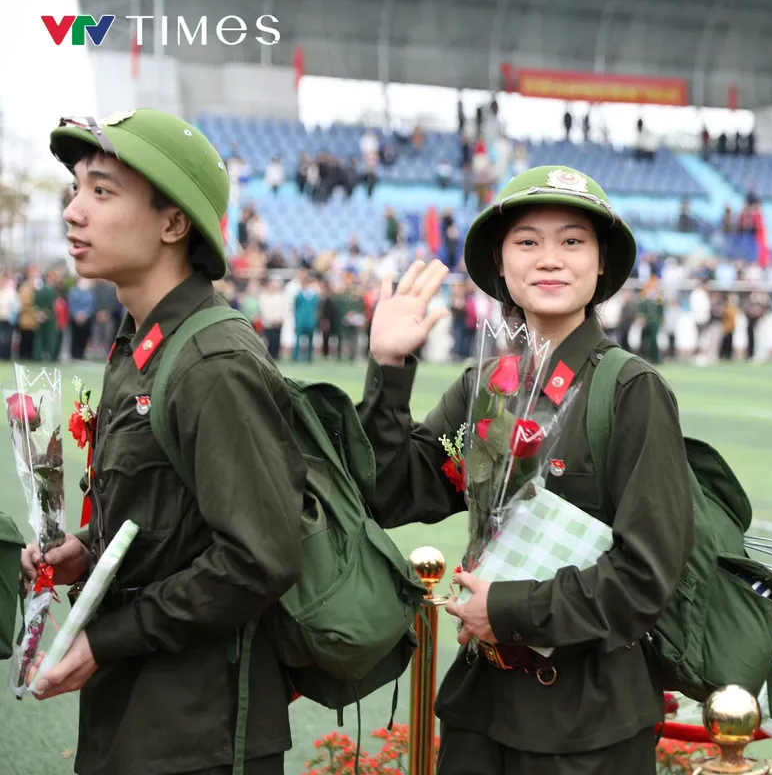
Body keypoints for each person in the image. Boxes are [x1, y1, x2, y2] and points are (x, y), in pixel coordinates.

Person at [360, 165, 694, 774]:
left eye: (572, 241)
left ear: (600, 265)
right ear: (501, 262)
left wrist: (509, 611)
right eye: (527, 242)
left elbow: (646, 577)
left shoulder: (630, 390)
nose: (550, 259)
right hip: (482, 711)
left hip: (584, 724)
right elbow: (393, 491)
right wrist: (390, 368)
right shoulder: (486, 383)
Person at [20, 109, 306, 775]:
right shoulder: (142, 346)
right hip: (139, 715)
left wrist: (110, 635)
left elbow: (258, 558)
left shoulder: (214, 361)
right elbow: (163, 524)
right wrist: (84, 553)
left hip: (201, 732)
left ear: (174, 224)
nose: (72, 212)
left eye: (102, 191)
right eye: (76, 189)